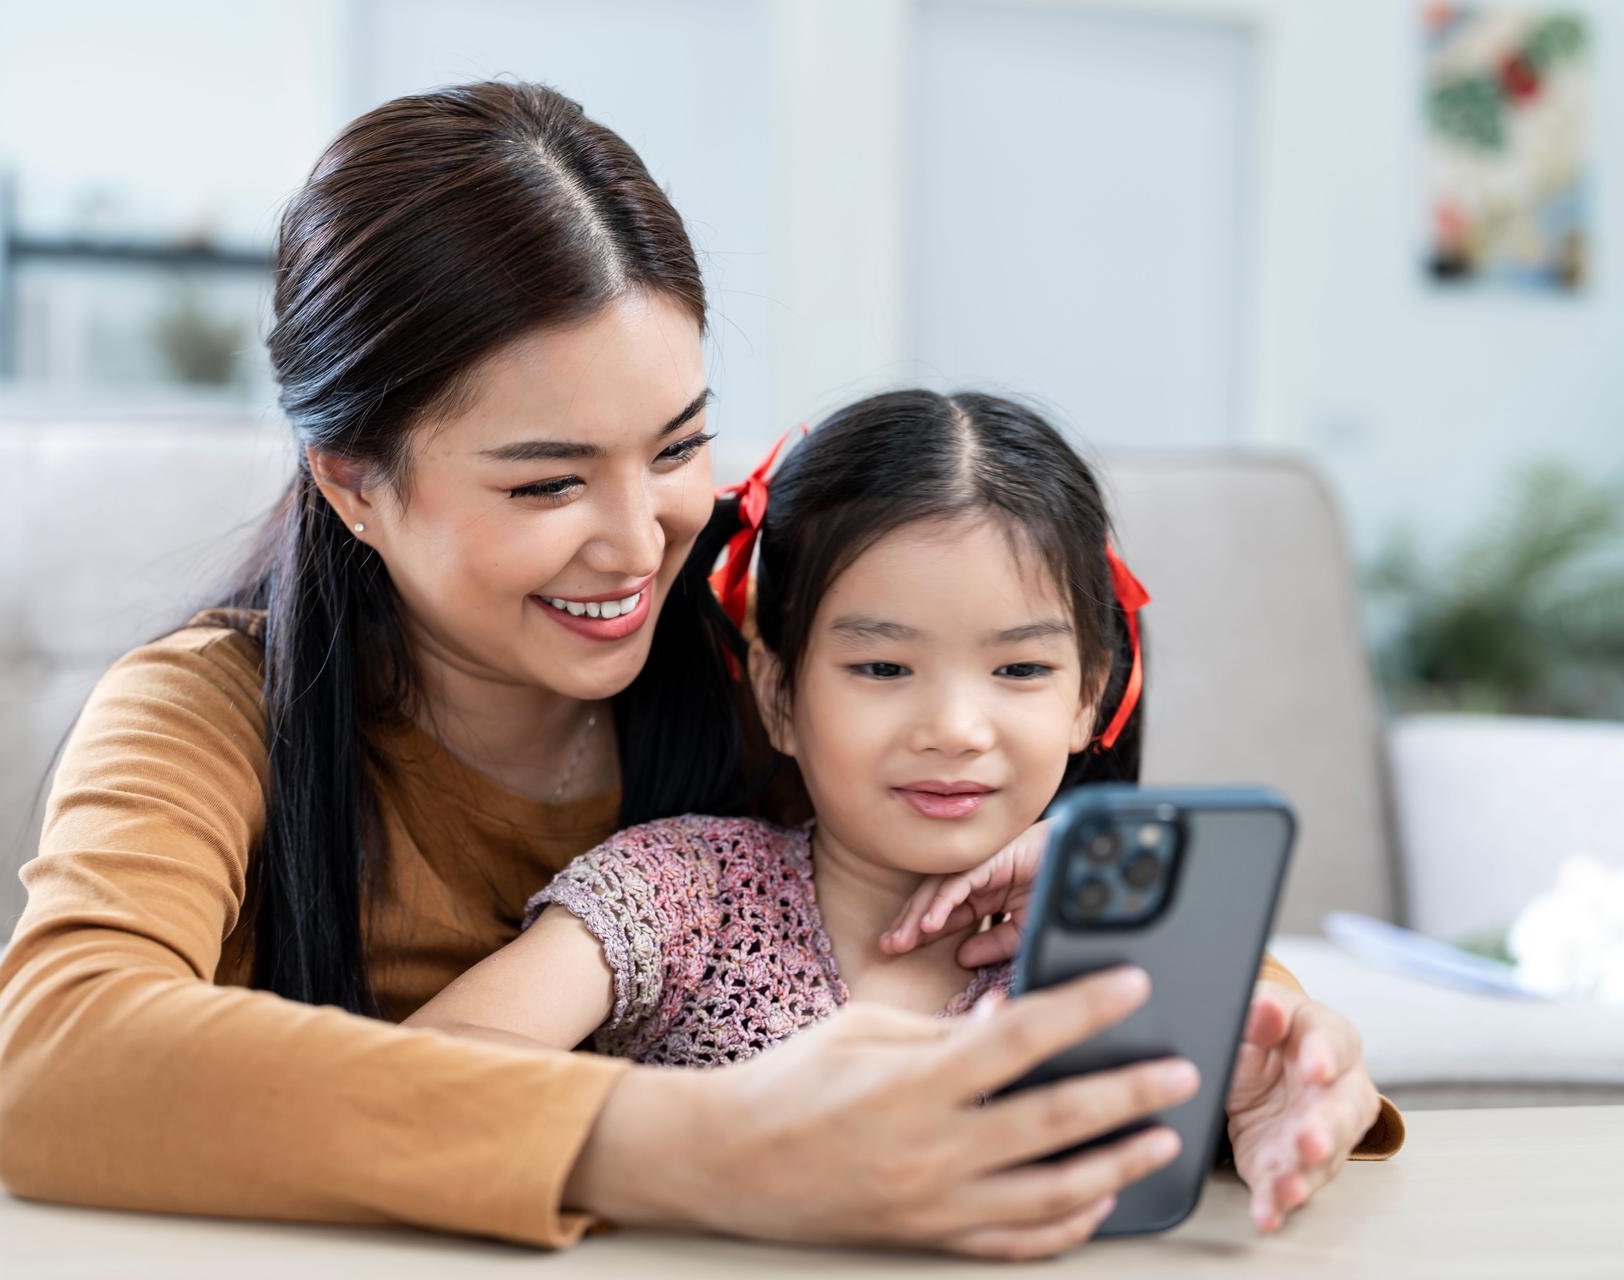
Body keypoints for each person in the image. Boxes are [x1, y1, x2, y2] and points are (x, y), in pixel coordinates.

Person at [0, 82, 1361, 1263]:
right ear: (354, 484)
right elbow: (55, 1067)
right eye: (549, 480)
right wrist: (700, 1141)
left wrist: (1275, 1048)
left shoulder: (769, 666)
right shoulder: (207, 712)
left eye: (679, 445)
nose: (641, 540)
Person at [406, 389, 1404, 1234]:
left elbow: (1257, 1101)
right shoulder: (684, 890)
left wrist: (1270, 1101)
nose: (955, 729)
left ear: (1090, 695)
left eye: (1021, 669)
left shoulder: (1121, 959)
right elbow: (422, 1075)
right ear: (779, 693)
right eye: (883, 667)